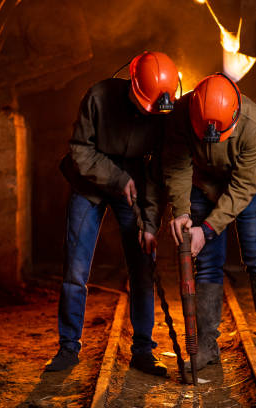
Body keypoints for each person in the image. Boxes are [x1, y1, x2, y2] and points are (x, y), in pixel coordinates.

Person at [46, 51, 179, 375]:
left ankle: (143, 351)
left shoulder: (162, 111)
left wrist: (149, 225)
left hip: (134, 182)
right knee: (76, 270)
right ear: (133, 86)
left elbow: (155, 175)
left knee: (142, 266)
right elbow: (80, 150)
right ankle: (68, 348)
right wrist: (117, 178)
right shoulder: (99, 96)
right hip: (88, 183)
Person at [162, 73, 256, 368]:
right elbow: (177, 165)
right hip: (202, 183)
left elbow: (242, 188)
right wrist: (182, 211)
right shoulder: (181, 114)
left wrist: (208, 228)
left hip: (248, 186)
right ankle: (205, 347)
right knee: (207, 261)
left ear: (236, 114)